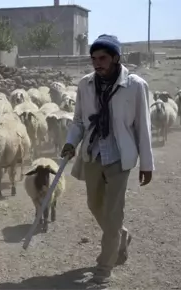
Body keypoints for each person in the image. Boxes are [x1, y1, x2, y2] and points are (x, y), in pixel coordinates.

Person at [61, 34, 154, 284]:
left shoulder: (135, 86)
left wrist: (147, 164)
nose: (97, 63)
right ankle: (121, 235)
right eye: (94, 58)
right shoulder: (85, 84)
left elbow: (143, 127)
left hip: (119, 155)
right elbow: (80, 120)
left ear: (115, 57)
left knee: (113, 212)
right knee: (94, 204)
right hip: (93, 153)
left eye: (102, 58)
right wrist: (71, 141)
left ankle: (104, 266)